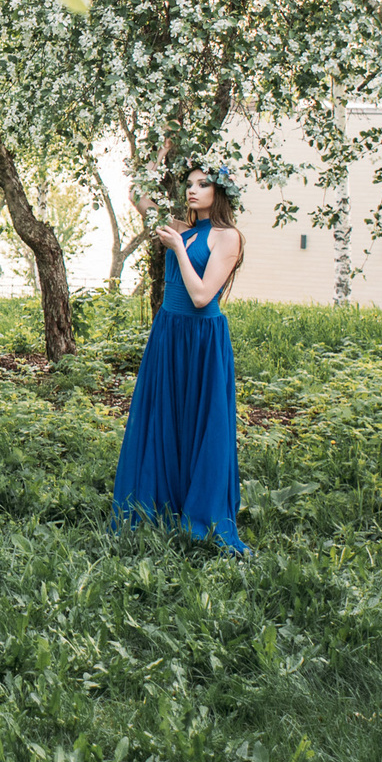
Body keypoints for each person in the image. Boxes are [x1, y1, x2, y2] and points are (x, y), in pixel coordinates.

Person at [111, 164, 246, 553]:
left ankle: (199, 515)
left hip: (202, 338)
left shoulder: (228, 237)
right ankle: (158, 506)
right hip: (169, 333)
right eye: (189, 184)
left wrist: (178, 251)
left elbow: (203, 296)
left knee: (202, 423)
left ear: (221, 190)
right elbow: (138, 196)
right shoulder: (183, 228)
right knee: (164, 417)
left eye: (203, 184)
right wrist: (162, 150)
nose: (192, 190)